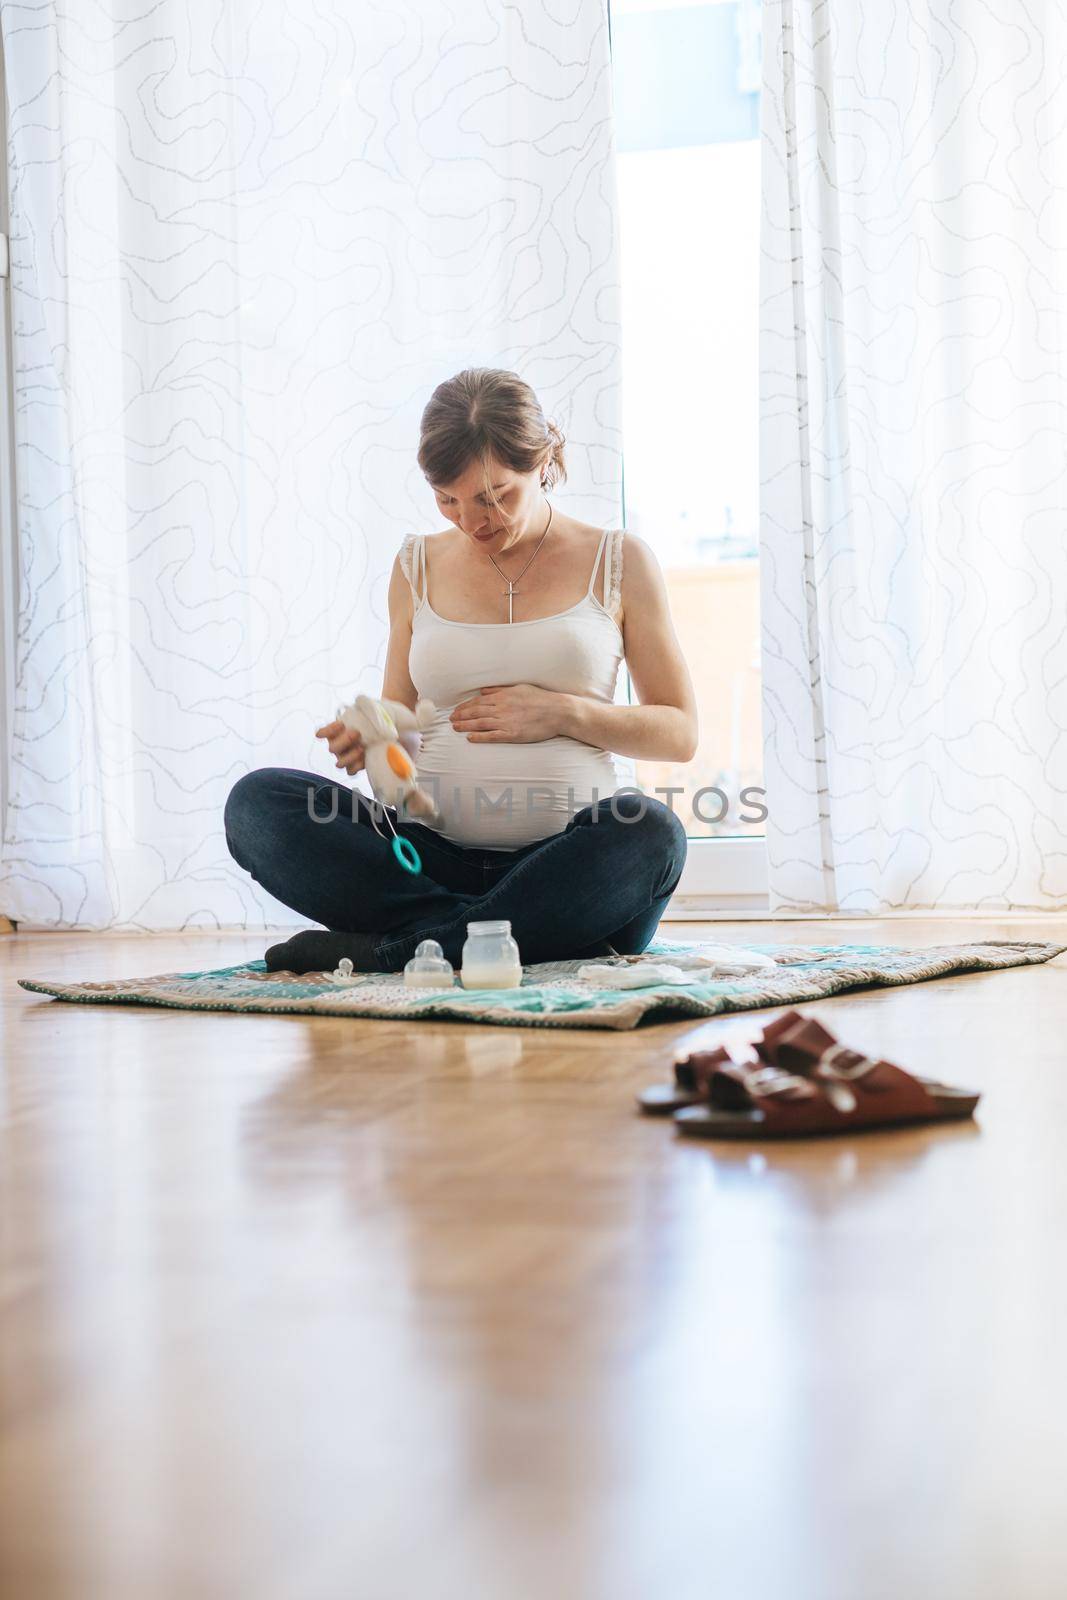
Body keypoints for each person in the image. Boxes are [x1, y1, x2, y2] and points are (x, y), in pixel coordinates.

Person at [224, 367, 698, 974]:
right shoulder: (415, 563)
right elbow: (400, 737)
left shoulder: (620, 560)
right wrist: (378, 737)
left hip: (565, 862)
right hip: (426, 859)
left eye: (497, 496)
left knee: (652, 834)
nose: (473, 521)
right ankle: (503, 936)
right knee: (257, 804)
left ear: (543, 461)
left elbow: (679, 733)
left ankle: (400, 948)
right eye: (448, 500)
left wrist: (563, 711)